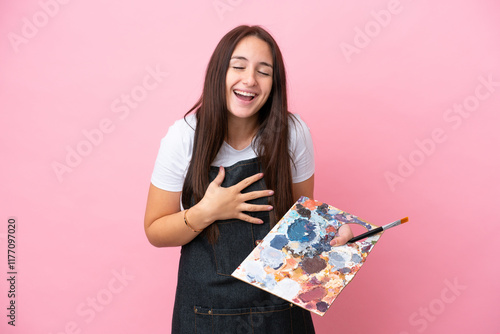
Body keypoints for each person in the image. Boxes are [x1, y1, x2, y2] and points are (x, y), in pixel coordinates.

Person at [144, 25, 353, 334]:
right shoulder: (184, 135)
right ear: (219, 72)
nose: (250, 80)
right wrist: (207, 212)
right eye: (238, 66)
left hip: (280, 309)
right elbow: (155, 230)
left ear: (274, 82)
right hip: (206, 311)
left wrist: (332, 235)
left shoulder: (293, 133)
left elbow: (300, 220)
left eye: (263, 71)